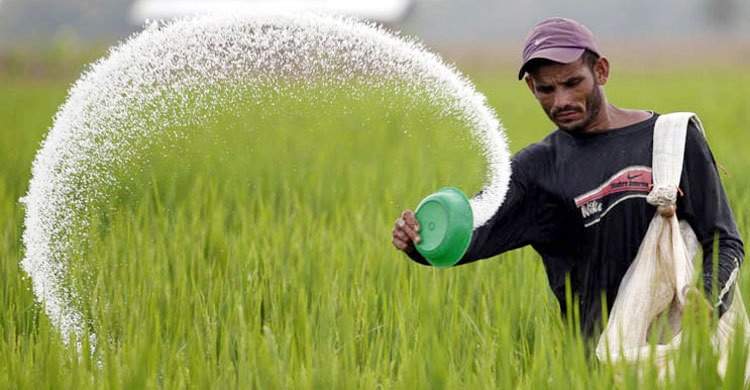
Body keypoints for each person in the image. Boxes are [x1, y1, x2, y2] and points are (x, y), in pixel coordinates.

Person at [391, 17, 744, 337]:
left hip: (680, 350)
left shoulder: (671, 139)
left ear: (601, 71)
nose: (561, 100)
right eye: (546, 89)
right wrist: (419, 242)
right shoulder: (537, 170)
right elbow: (472, 234)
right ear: (531, 87)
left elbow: (723, 239)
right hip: (599, 364)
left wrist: (708, 299)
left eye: (573, 83)